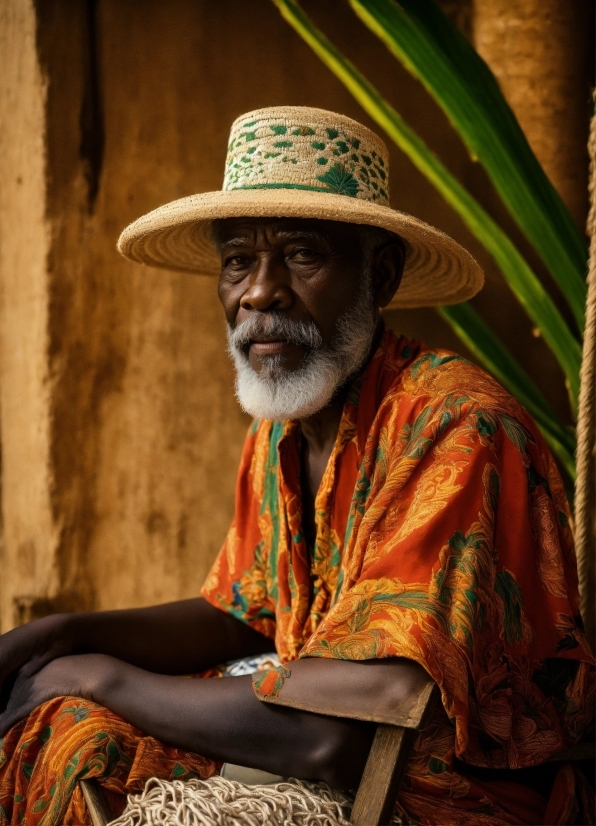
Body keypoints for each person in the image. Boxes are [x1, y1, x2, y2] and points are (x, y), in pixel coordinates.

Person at [0, 107, 592, 826]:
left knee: (82, 710)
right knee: (64, 734)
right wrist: (61, 634)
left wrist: (99, 675)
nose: (259, 292)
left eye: (302, 255)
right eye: (238, 261)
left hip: (442, 796)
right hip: (322, 740)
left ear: (380, 274)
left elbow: (340, 735)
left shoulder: (456, 427)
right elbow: (244, 614)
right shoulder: (284, 423)